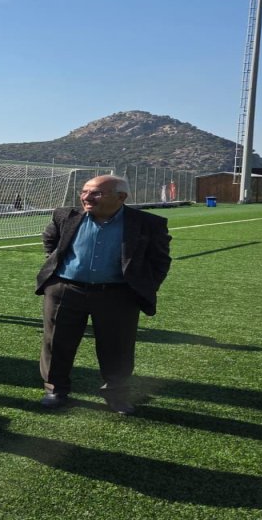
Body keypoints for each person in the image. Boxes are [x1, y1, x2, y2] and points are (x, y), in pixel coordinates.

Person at [34, 174, 171, 415]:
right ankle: (55, 390)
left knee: (117, 348)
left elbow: (159, 260)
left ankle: (116, 395)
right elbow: (50, 241)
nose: (87, 197)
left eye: (96, 193)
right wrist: (56, 272)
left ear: (121, 197)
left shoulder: (147, 223)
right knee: (56, 343)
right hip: (65, 290)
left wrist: (142, 287)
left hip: (118, 294)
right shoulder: (65, 215)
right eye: (84, 191)